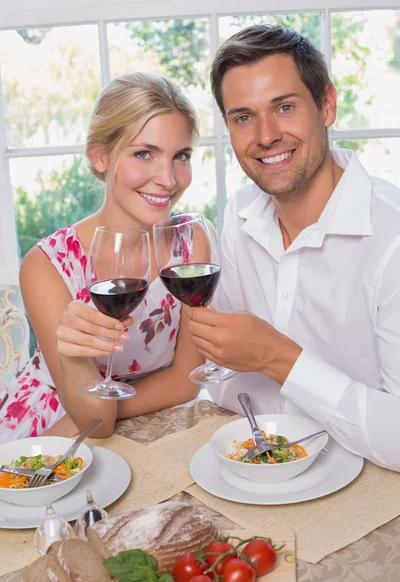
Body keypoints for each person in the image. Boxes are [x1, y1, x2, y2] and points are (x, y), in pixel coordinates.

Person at [187, 24, 400, 472]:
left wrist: (277, 357)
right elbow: (225, 381)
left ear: (327, 104)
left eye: (284, 107)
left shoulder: (392, 237)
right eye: (243, 117)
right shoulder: (240, 212)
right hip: (256, 467)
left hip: (372, 485)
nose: (265, 136)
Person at [0, 72, 205, 442]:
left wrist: (109, 409)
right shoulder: (46, 267)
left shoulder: (193, 244)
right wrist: (93, 406)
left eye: (181, 156)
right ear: (100, 156)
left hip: (130, 422)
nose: (168, 179)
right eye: (144, 154)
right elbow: (91, 416)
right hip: (52, 428)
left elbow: (186, 382)